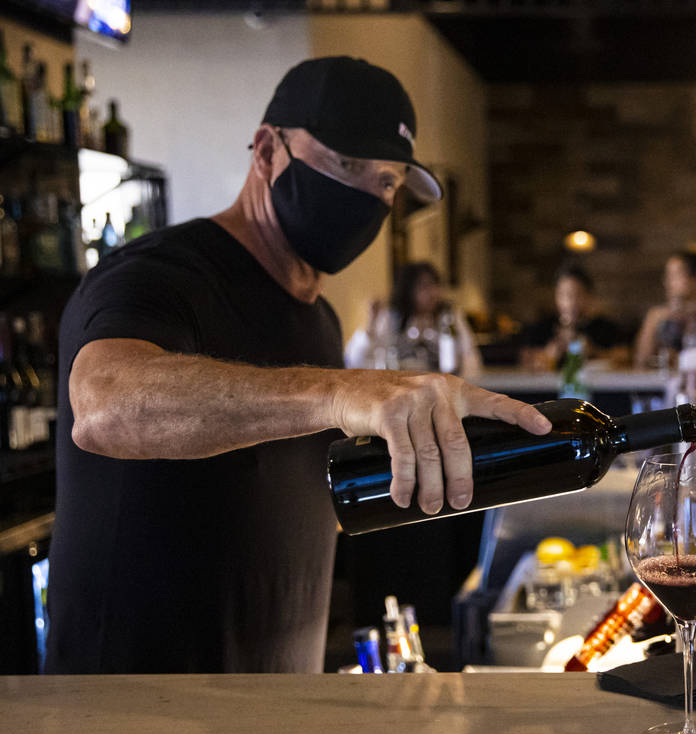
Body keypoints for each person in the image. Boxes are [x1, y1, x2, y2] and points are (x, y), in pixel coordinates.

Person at [46, 57, 551, 674]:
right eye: (345, 166)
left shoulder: (319, 318)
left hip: (274, 704)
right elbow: (103, 406)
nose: (370, 195)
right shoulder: (159, 275)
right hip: (133, 711)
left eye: (388, 181)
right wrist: (339, 394)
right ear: (266, 151)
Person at [344, 262, 482, 376]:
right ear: (408, 289)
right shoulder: (392, 317)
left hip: (442, 391)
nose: (433, 293)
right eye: (425, 286)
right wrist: (371, 324)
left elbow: (470, 356)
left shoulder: (448, 317)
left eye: (435, 285)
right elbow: (354, 361)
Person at [518, 262, 629, 370]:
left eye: (577, 294)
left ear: (589, 296)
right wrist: (548, 354)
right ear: (556, 296)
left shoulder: (604, 327)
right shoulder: (544, 326)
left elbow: (626, 356)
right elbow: (523, 358)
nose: (571, 302)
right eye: (564, 295)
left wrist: (594, 352)